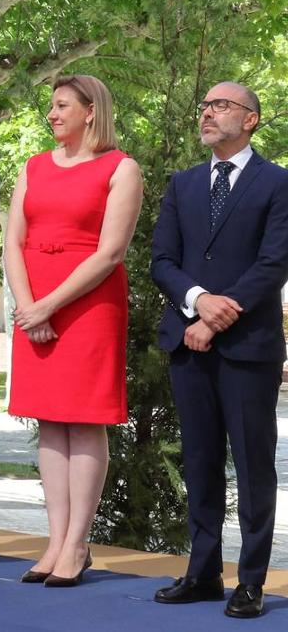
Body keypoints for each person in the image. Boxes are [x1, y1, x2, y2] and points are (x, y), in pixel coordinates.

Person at [150, 82, 288, 619]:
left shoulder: (277, 183)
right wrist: (199, 301)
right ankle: (203, 572)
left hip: (246, 348)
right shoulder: (182, 184)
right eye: (204, 105)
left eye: (222, 105)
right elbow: (163, 259)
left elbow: (274, 262)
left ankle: (251, 580)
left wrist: (220, 315)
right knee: (200, 461)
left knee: (254, 467)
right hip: (188, 341)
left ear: (251, 120)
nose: (207, 112)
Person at [5, 75, 142, 587]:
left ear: (91, 111)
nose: (51, 113)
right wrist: (26, 308)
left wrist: (49, 307)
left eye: (61, 105)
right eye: (50, 105)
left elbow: (111, 253)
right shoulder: (34, 166)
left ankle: (78, 544)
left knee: (83, 419)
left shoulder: (120, 168)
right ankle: (55, 540)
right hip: (34, 299)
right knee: (49, 420)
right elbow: (12, 240)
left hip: (88, 303)